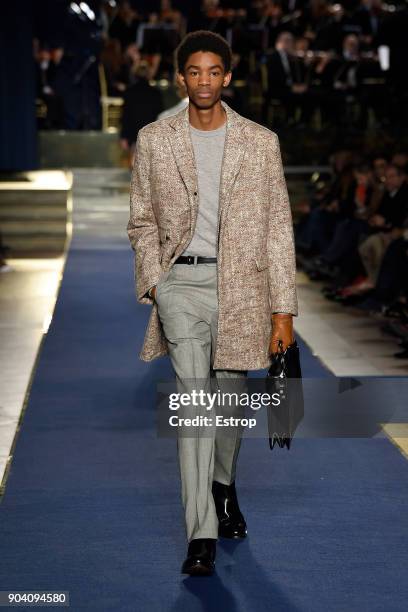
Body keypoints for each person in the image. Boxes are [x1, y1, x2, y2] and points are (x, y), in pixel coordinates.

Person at [127, 29, 298, 576]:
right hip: (182, 288)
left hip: (243, 288)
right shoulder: (155, 139)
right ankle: (200, 533)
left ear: (228, 76)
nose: (204, 81)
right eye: (193, 72)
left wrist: (283, 312)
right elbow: (142, 219)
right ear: (181, 78)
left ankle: (223, 484)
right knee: (196, 407)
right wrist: (156, 282)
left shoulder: (260, 141)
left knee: (229, 404)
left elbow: (277, 230)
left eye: (213, 72)